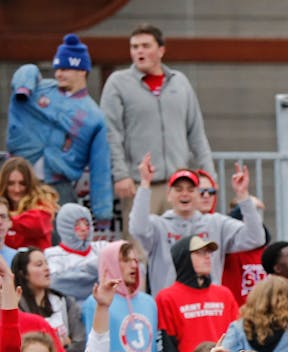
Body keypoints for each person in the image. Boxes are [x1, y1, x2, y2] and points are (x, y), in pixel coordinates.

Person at [100, 24, 213, 215]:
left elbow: (196, 133)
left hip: (180, 185)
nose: (139, 52)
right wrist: (120, 175)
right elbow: (111, 133)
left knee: (182, 242)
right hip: (140, 184)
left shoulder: (180, 82)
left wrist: (208, 175)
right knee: (139, 243)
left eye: (145, 46)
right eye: (134, 47)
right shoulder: (118, 83)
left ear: (161, 50)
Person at [7, 35, 112, 229]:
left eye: (64, 69)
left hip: (58, 187)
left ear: (81, 70)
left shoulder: (94, 116)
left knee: (57, 242)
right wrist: (24, 84)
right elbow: (26, 72)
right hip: (19, 181)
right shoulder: (40, 89)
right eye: (57, 69)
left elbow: (101, 169)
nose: (58, 74)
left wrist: (102, 212)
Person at [129, 159, 262, 294]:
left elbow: (255, 238)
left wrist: (243, 195)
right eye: (178, 189)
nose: (185, 194)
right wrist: (145, 184)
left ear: (198, 195)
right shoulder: (158, 225)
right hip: (171, 308)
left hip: (208, 308)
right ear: (169, 195)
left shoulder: (216, 223)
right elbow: (137, 228)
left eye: (191, 189)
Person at [155, 236, 239, 352]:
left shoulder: (224, 294)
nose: (207, 257)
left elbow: (236, 336)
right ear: (184, 258)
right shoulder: (167, 297)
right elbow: (166, 346)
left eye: (208, 253)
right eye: (199, 253)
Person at [12, 249, 83, 352]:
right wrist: (58, 343)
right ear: (23, 273)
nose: (47, 268)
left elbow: (79, 346)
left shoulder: (65, 302)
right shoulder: (16, 307)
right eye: (39, 265)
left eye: (46, 263)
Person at [1, 157, 59, 251]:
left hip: (33, 263)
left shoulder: (43, 205)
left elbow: (36, 224)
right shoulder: (2, 206)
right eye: (11, 183)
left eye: (22, 183)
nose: (17, 189)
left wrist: (9, 221)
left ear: (30, 183)